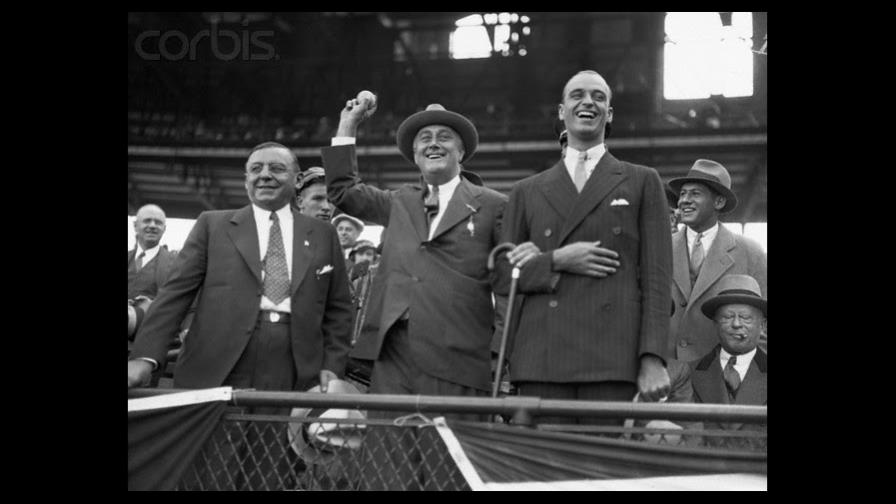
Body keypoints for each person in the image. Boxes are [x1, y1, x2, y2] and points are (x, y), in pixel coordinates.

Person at [128, 141, 353, 489]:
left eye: (277, 169)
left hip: (292, 369)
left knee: (270, 472)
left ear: (296, 181)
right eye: (256, 169)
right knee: (205, 471)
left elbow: (339, 308)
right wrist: (145, 357)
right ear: (245, 179)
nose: (265, 175)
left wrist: (332, 367)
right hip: (216, 365)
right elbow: (174, 296)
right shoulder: (212, 225)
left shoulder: (323, 234)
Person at [322, 95, 507, 489]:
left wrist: (497, 357)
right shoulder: (398, 202)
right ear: (415, 155)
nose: (433, 143)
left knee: (451, 474)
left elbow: (509, 287)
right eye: (424, 138)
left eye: (444, 136)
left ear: (461, 151)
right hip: (392, 357)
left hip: (460, 359)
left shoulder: (493, 206)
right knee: (387, 475)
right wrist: (348, 125)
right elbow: (342, 191)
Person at [499, 70, 673, 423]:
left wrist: (652, 358)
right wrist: (558, 259)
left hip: (612, 361)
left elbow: (657, 280)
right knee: (544, 473)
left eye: (599, 97)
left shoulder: (641, 181)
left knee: (601, 474)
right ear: (560, 110)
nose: (588, 102)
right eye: (577, 95)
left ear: (609, 114)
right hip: (541, 360)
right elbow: (504, 276)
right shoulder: (527, 190)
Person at [668, 159, 767, 362]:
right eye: (683, 194)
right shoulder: (659, 248)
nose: (684, 200)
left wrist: (752, 374)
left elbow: (763, 322)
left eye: (695, 194)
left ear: (718, 202)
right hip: (666, 373)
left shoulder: (750, 252)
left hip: (723, 374)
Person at [690, 274, 767, 447]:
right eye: (727, 317)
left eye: (746, 317)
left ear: (762, 325)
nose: (736, 324)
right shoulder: (688, 374)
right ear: (715, 324)